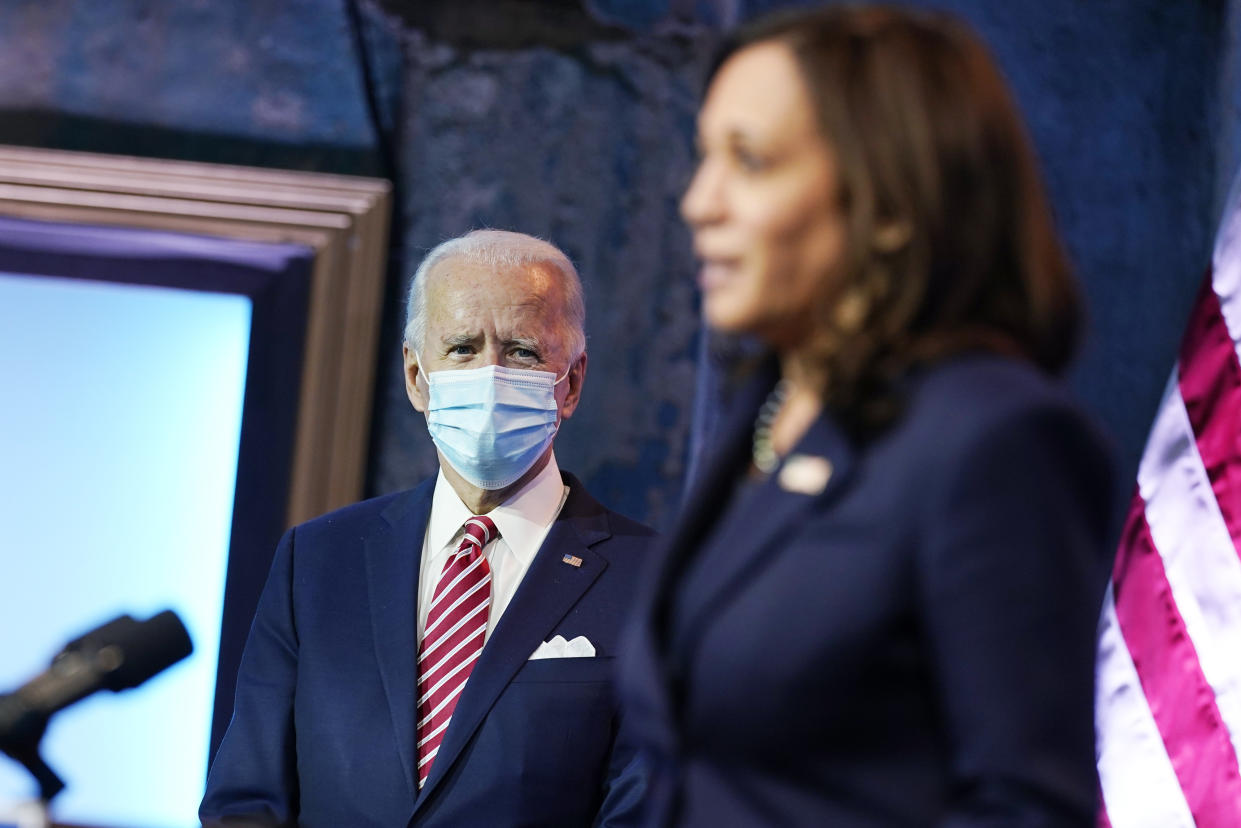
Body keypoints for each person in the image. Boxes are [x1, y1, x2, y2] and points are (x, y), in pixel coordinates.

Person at [620, 6, 1116, 826]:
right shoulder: (767, 411)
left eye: (750, 161)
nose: (698, 203)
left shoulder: (995, 439)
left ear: (889, 199)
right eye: (703, 156)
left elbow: (1024, 807)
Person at [201, 229, 652, 827]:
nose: (489, 375)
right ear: (416, 376)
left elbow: (646, 808)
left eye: (521, 351)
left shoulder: (654, 582)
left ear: (570, 381)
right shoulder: (317, 561)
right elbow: (247, 798)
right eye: (462, 348)